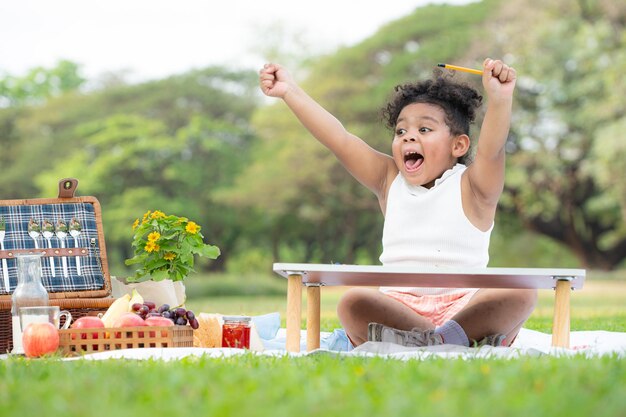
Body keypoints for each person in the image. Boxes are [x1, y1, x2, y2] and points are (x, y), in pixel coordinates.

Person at [259, 58, 537, 348]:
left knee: (521, 292)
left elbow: (491, 152)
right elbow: (339, 139)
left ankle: (434, 340)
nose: (409, 137)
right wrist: (290, 91)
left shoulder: (474, 186)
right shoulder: (388, 179)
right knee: (353, 302)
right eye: (401, 131)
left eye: (425, 130)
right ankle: (444, 341)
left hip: (466, 307)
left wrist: (501, 99)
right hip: (399, 308)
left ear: (459, 145)